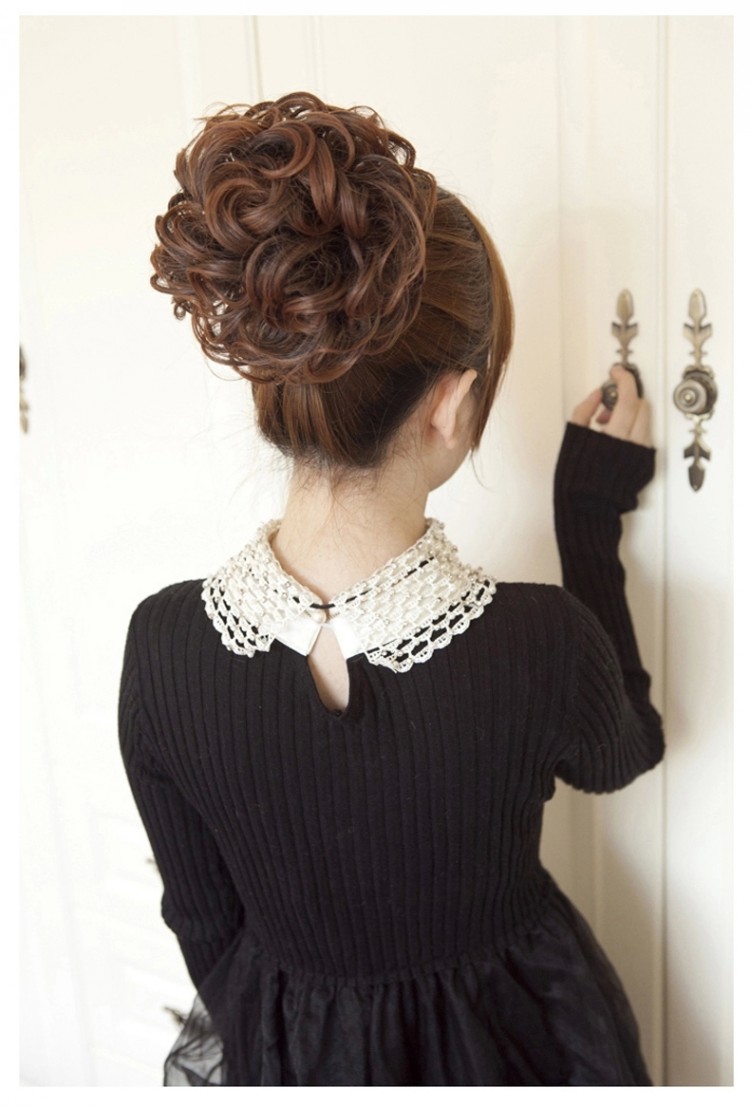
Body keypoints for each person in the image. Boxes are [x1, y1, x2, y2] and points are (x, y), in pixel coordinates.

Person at [118, 91, 664, 1086]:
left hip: (289, 1056)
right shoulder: (540, 640)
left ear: (278, 372)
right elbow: (627, 747)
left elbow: (202, 921)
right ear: (454, 404)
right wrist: (587, 515)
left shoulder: (161, 647)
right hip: (520, 1047)